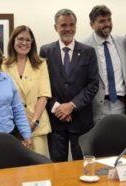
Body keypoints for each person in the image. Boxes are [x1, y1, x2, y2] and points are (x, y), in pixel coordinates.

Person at [40, 9, 99, 162]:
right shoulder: (45, 51)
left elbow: (93, 85)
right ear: (56, 27)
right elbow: (42, 85)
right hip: (56, 120)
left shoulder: (88, 52)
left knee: (82, 165)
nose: (68, 29)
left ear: (76, 26)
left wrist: (71, 105)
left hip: (81, 120)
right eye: (63, 25)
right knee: (57, 166)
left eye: (71, 25)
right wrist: (57, 107)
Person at [1, 25, 52, 155]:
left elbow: (43, 96)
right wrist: (19, 125)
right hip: (13, 127)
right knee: (16, 165)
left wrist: (33, 122)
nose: (24, 43)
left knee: (40, 165)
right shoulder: (3, 65)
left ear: (32, 42)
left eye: (28, 40)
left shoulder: (41, 64)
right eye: (20, 39)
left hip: (37, 126)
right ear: (13, 40)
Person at [83, 5, 126, 122]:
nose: (107, 24)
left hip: (121, 104)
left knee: (121, 134)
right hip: (97, 108)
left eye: (109, 20)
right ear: (92, 24)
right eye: (102, 21)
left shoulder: (122, 41)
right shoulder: (84, 46)